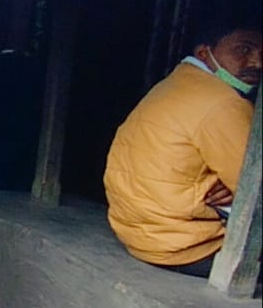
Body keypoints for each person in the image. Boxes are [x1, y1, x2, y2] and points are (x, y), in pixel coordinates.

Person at [103, 19, 260, 277]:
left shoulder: (175, 84)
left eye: (261, 54)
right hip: (186, 246)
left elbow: (244, 184)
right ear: (204, 52)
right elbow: (256, 194)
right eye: (243, 50)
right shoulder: (223, 103)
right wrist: (243, 192)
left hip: (139, 234)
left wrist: (238, 189)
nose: (256, 62)